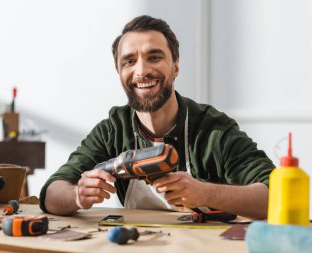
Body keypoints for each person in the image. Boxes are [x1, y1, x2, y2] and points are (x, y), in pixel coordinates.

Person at [40, 15, 275, 219]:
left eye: (154, 57)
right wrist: (77, 196)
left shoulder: (213, 130)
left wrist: (204, 193)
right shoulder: (112, 131)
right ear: (120, 73)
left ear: (175, 67)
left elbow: (276, 195)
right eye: (129, 61)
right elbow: (51, 193)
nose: (141, 71)